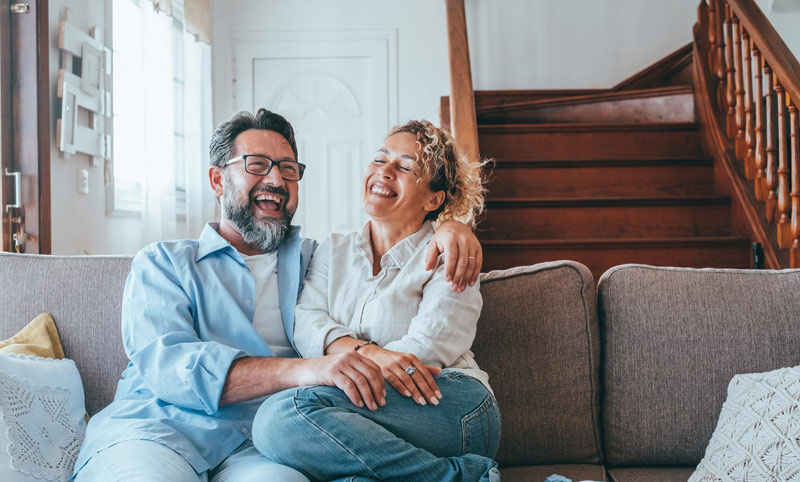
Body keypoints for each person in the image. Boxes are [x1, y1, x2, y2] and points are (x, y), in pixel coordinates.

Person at [72, 109, 484, 482]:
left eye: (287, 169)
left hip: (259, 447)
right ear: (217, 179)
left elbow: (403, 245)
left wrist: (452, 228)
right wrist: (309, 370)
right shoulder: (163, 263)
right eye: (257, 165)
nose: (275, 180)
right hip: (157, 432)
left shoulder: (314, 259)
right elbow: (171, 367)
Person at [252, 120, 501, 481]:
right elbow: (307, 320)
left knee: (280, 416)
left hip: (451, 403)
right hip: (373, 412)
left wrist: (350, 363)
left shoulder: (450, 251)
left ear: (434, 199)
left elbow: (426, 349)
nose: (384, 172)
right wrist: (366, 353)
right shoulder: (333, 250)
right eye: (380, 159)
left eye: (404, 167)